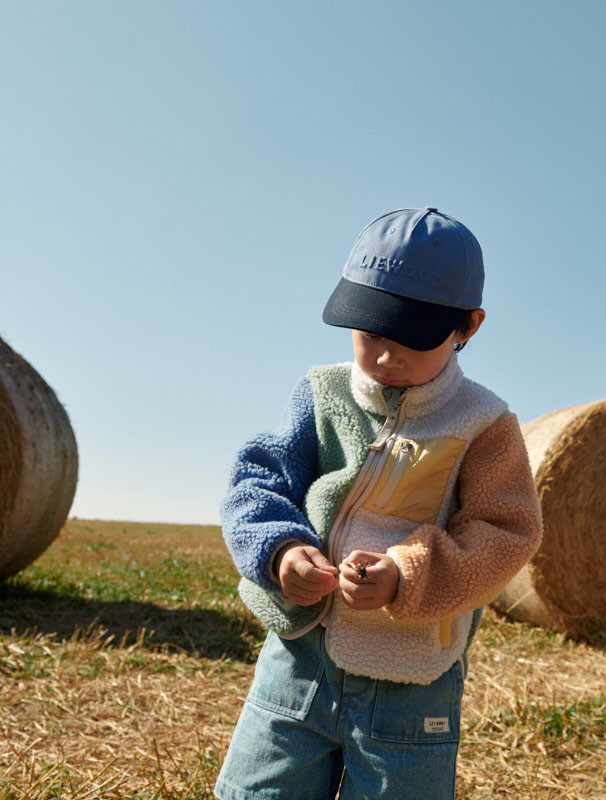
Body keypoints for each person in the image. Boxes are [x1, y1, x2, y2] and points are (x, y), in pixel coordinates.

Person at [214, 207, 543, 800]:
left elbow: (504, 530)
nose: (386, 355)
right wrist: (281, 550)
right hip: (299, 660)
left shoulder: (483, 423)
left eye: (411, 338)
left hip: (412, 682)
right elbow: (257, 481)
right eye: (370, 333)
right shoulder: (323, 393)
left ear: (469, 325)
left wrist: (405, 575)